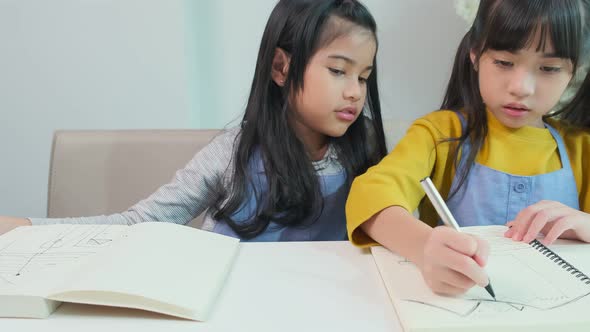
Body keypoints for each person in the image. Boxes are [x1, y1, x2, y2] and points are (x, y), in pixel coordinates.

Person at [0, 0, 387, 241]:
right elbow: (138, 224)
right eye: (339, 70)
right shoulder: (232, 154)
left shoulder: (363, 147)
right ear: (281, 68)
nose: (355, 91)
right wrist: (24, 228)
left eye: (364, 76)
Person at [345, 0, 590, 296]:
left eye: (549, 68)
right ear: (475, 54)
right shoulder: (439, 134)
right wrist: (423, 247)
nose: (521, 86)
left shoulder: (582, 149)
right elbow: (370, 195)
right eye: (504, 62)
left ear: (573, 71)